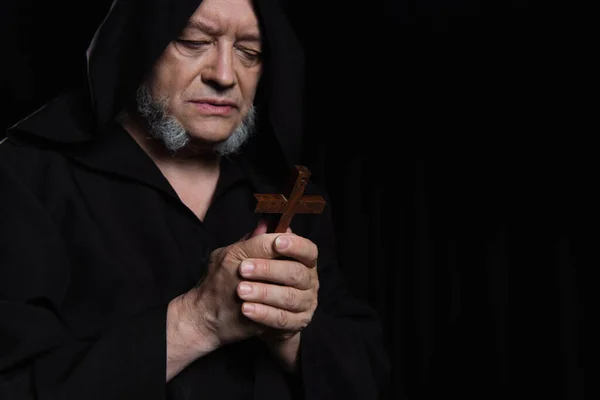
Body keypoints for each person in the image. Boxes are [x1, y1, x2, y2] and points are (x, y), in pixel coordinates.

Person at [0, 0, 389, 398]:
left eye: (248, 53)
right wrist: (199, 320)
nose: (224, 75)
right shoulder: (28, 177)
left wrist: (288, 331)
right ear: (141, 46)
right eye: (193, 41)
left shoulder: (291, 195)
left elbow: (367, 374)